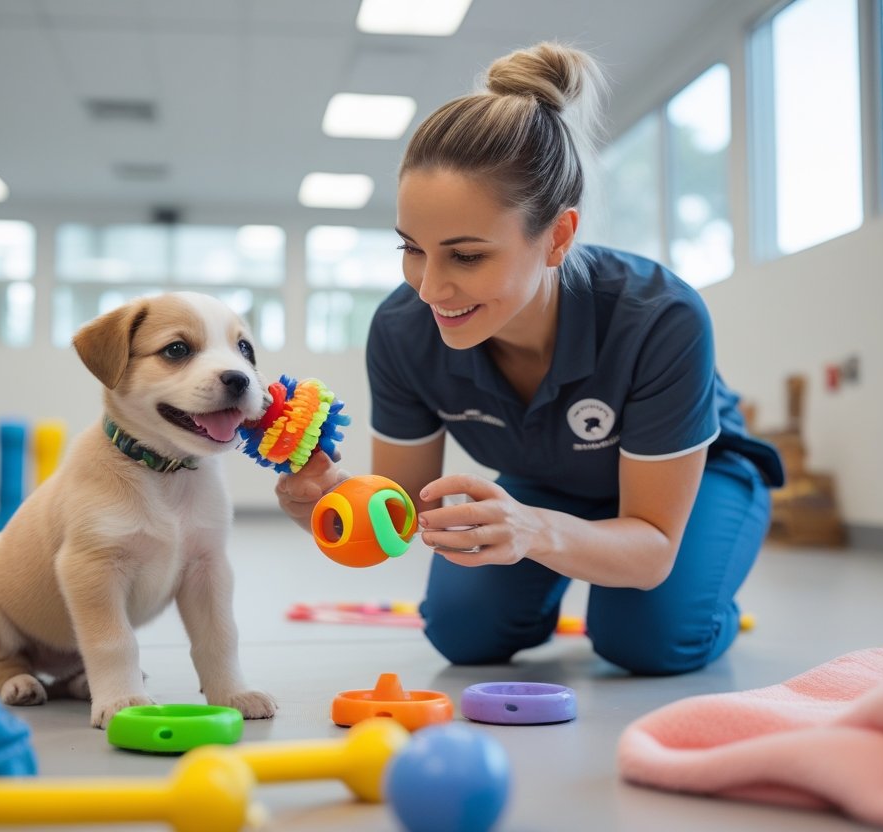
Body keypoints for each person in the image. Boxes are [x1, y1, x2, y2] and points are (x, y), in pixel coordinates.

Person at [277, 42, 784, 676]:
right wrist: (331, 505)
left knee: (647, 640)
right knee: (463, 634)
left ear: (558, 238)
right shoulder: (402, 330)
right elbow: (401, 505)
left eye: (466, 256)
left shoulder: (660, 317)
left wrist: (538, 534)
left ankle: (703, 603)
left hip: (695, 484)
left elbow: (652, 545)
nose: (429, 288)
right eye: (412, 248)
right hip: (547, 487)